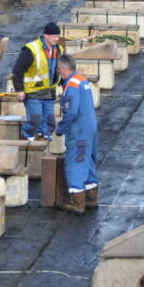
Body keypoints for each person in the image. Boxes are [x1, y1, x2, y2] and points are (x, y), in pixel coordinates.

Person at [54, 55, 98, 216]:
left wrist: (61, 129)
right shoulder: (82, 80)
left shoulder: (71, 86)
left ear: (65, 69)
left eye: (58, 70)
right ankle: (91, 196)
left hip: (79, 130)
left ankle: (78, 202)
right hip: (90, 126)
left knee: (76, 162)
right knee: (88, 160)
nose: (58, 72)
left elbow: (71, 111)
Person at [12, 22, 63, 140]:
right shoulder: (31, 49)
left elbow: (60, 70)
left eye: (58, 36)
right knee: (35, 118)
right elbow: (17, 70)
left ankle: (44, 139)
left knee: (50, 120)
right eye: (54, 36)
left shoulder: (59, 49)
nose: (57, 39)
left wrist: (62, 88)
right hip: (33, 91)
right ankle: (27, 137)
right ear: (46, 35)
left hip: (49, 92)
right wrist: (19, 90)